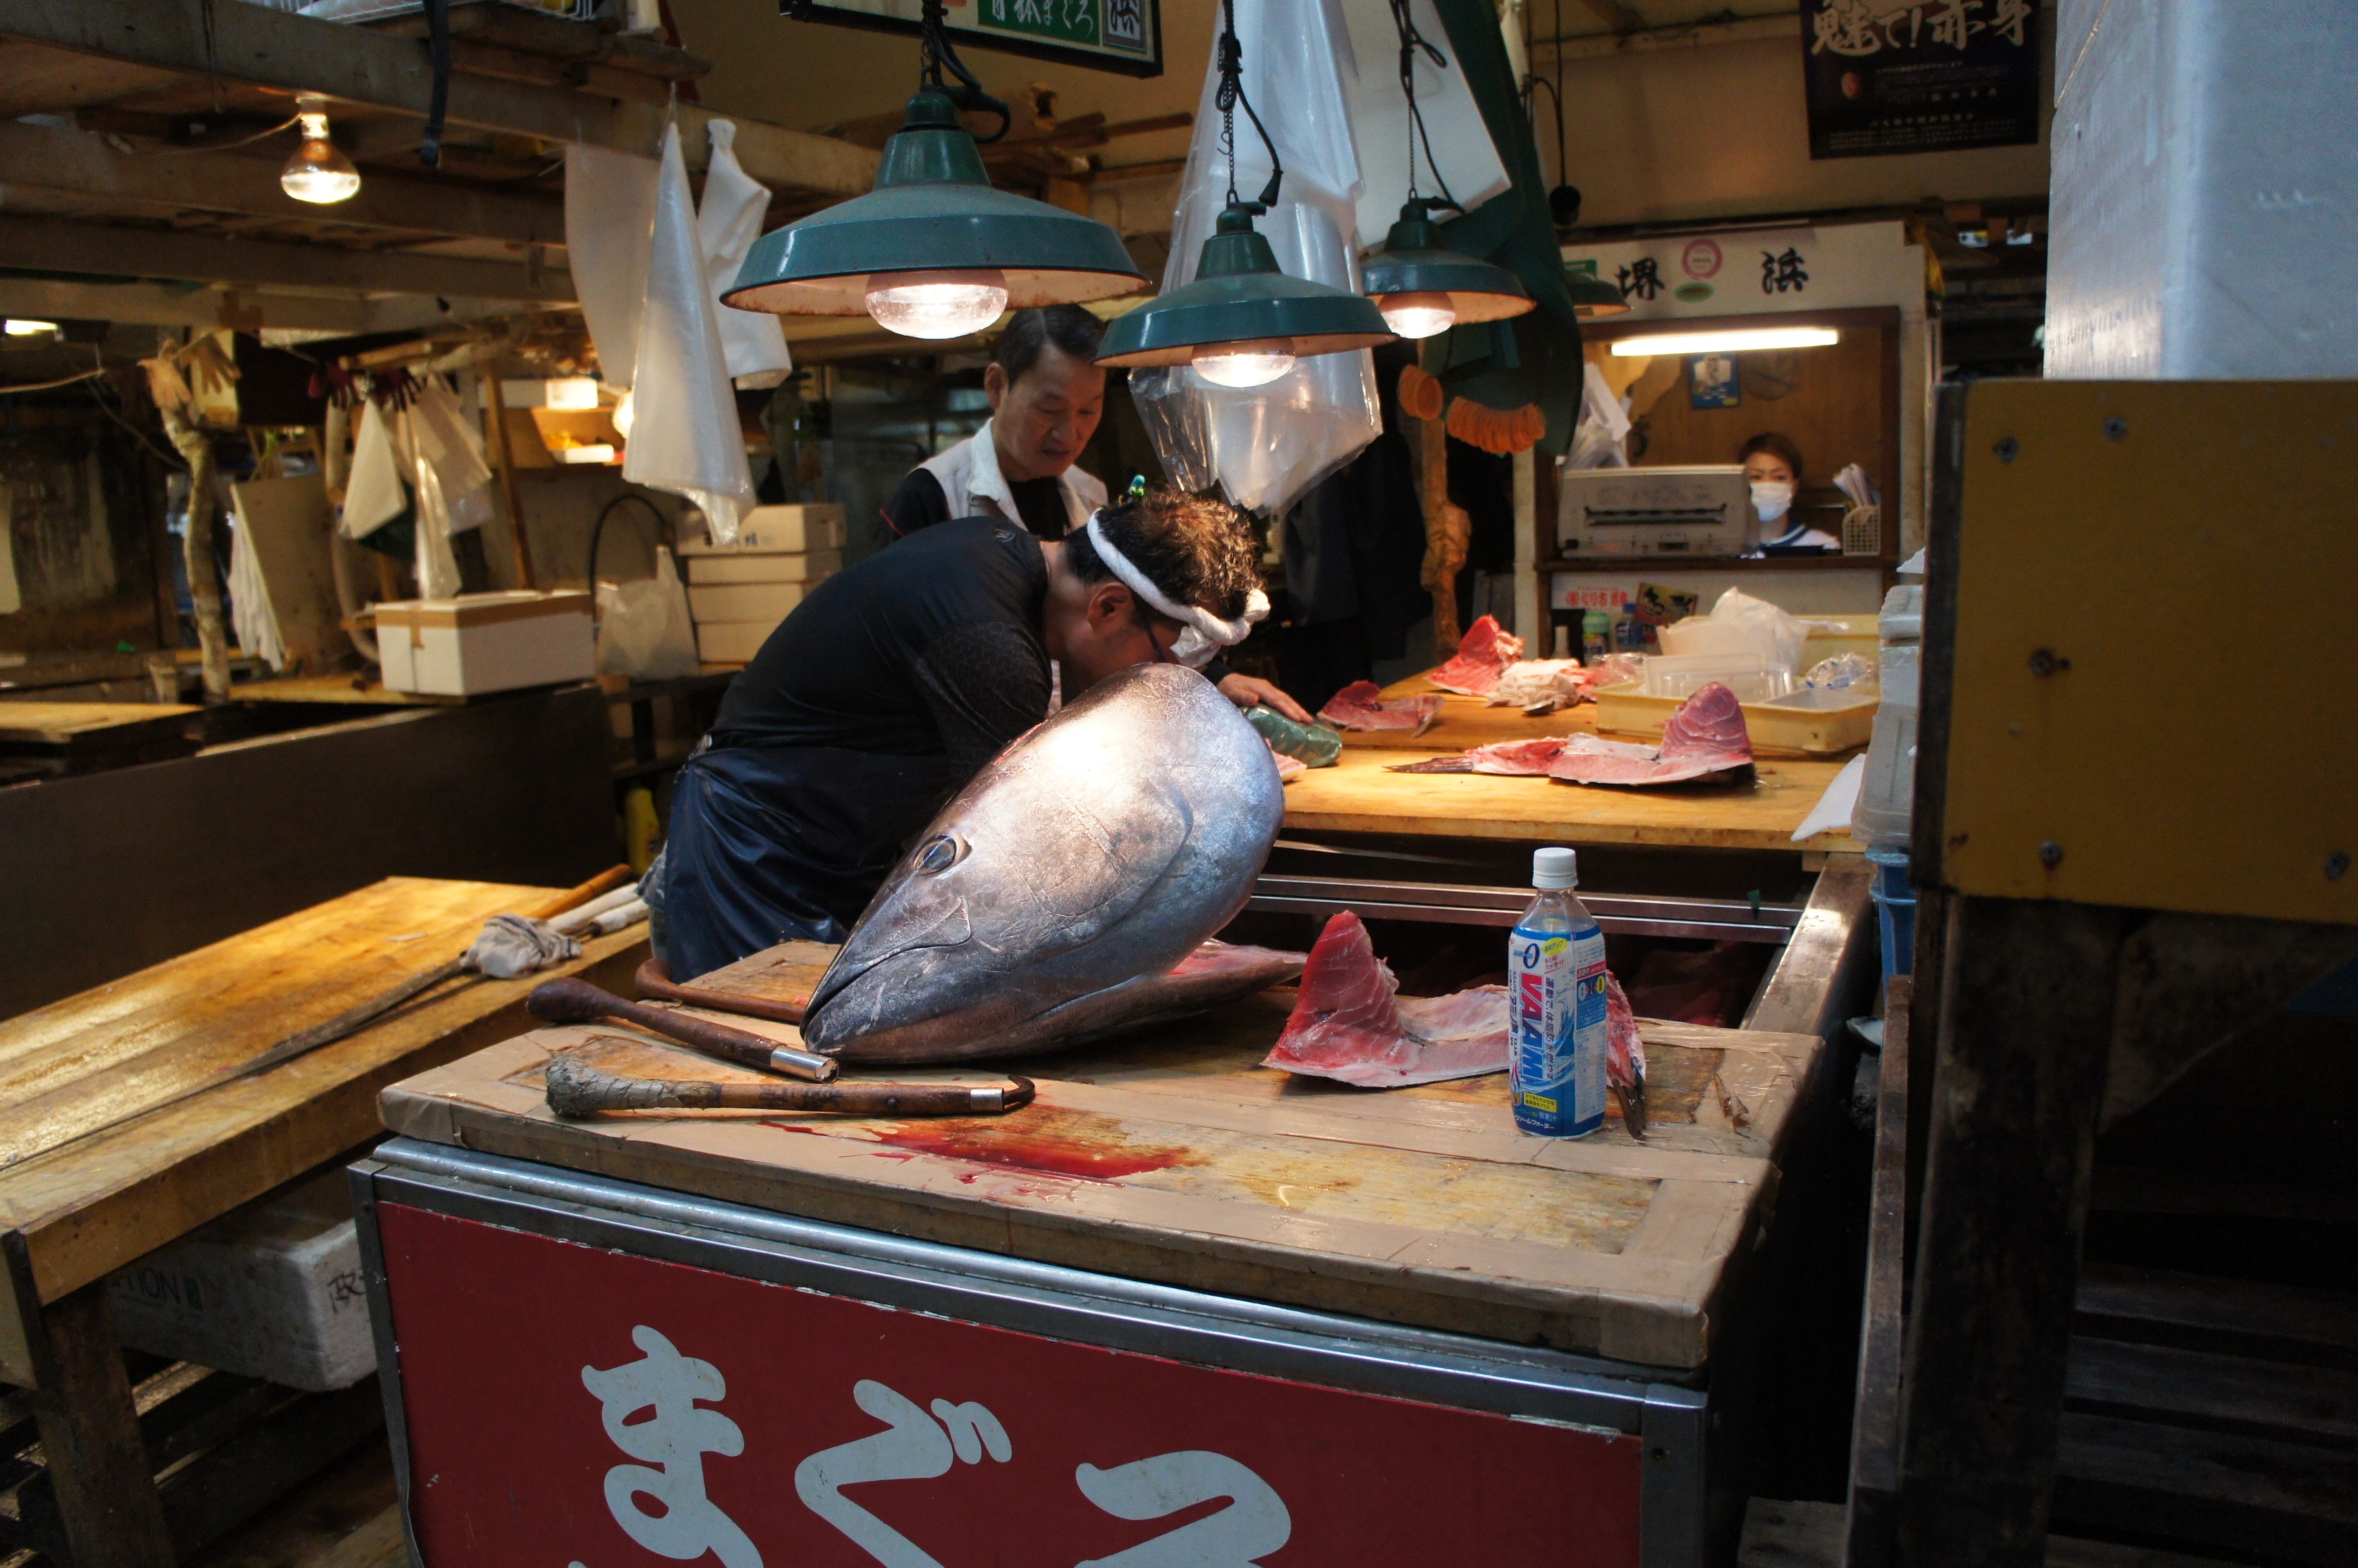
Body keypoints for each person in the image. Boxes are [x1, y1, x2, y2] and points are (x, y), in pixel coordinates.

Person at [646, 488, 1270, 979]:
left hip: (827, 847)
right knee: (782, 1079)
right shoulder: (991, 645)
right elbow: (1023, 854)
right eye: (1167, 657)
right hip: (756, 855)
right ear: (1107, 606)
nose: (1160, 679)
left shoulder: (997, 551)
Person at [882, 305, 1312, 721]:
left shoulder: (1089, 493)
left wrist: (1214, 674)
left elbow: (1135, 614)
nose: (1070, 433)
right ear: (997, 386)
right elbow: (901, 649)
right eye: (1049, 409)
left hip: (1067, 731)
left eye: (1089, 409)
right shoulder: (931, 493)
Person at [1740, 431, 1839, 553]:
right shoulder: (1724, 550)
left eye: (1779, 477)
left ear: (1794, 487)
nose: (1767, 485)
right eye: (1756, 477)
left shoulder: (1822, 545)